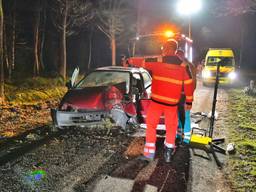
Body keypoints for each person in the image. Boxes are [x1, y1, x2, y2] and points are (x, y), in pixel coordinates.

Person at [142, 39, 194, 163]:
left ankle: (149, 152)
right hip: (171, 104)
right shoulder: (183, 66)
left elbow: (143, 62)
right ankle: (168, 154)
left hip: (156, 102)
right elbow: (189, 84)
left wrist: (128, 61)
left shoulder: (158, 61)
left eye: (163, 48)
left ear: (165, 48)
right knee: (171, 127)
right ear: (175, 50)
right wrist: (189, 102)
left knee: (151, 126)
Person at [175, 49, 196, 144]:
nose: (177, 58)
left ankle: (186, 138)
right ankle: (179, 135)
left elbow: (192, 83)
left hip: (184, 95)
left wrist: (189, 97)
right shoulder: (189, 65)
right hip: (180, 95)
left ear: (181, 56)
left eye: (178, 56)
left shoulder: (187, 66)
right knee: (179, 115)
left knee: (185, 115)